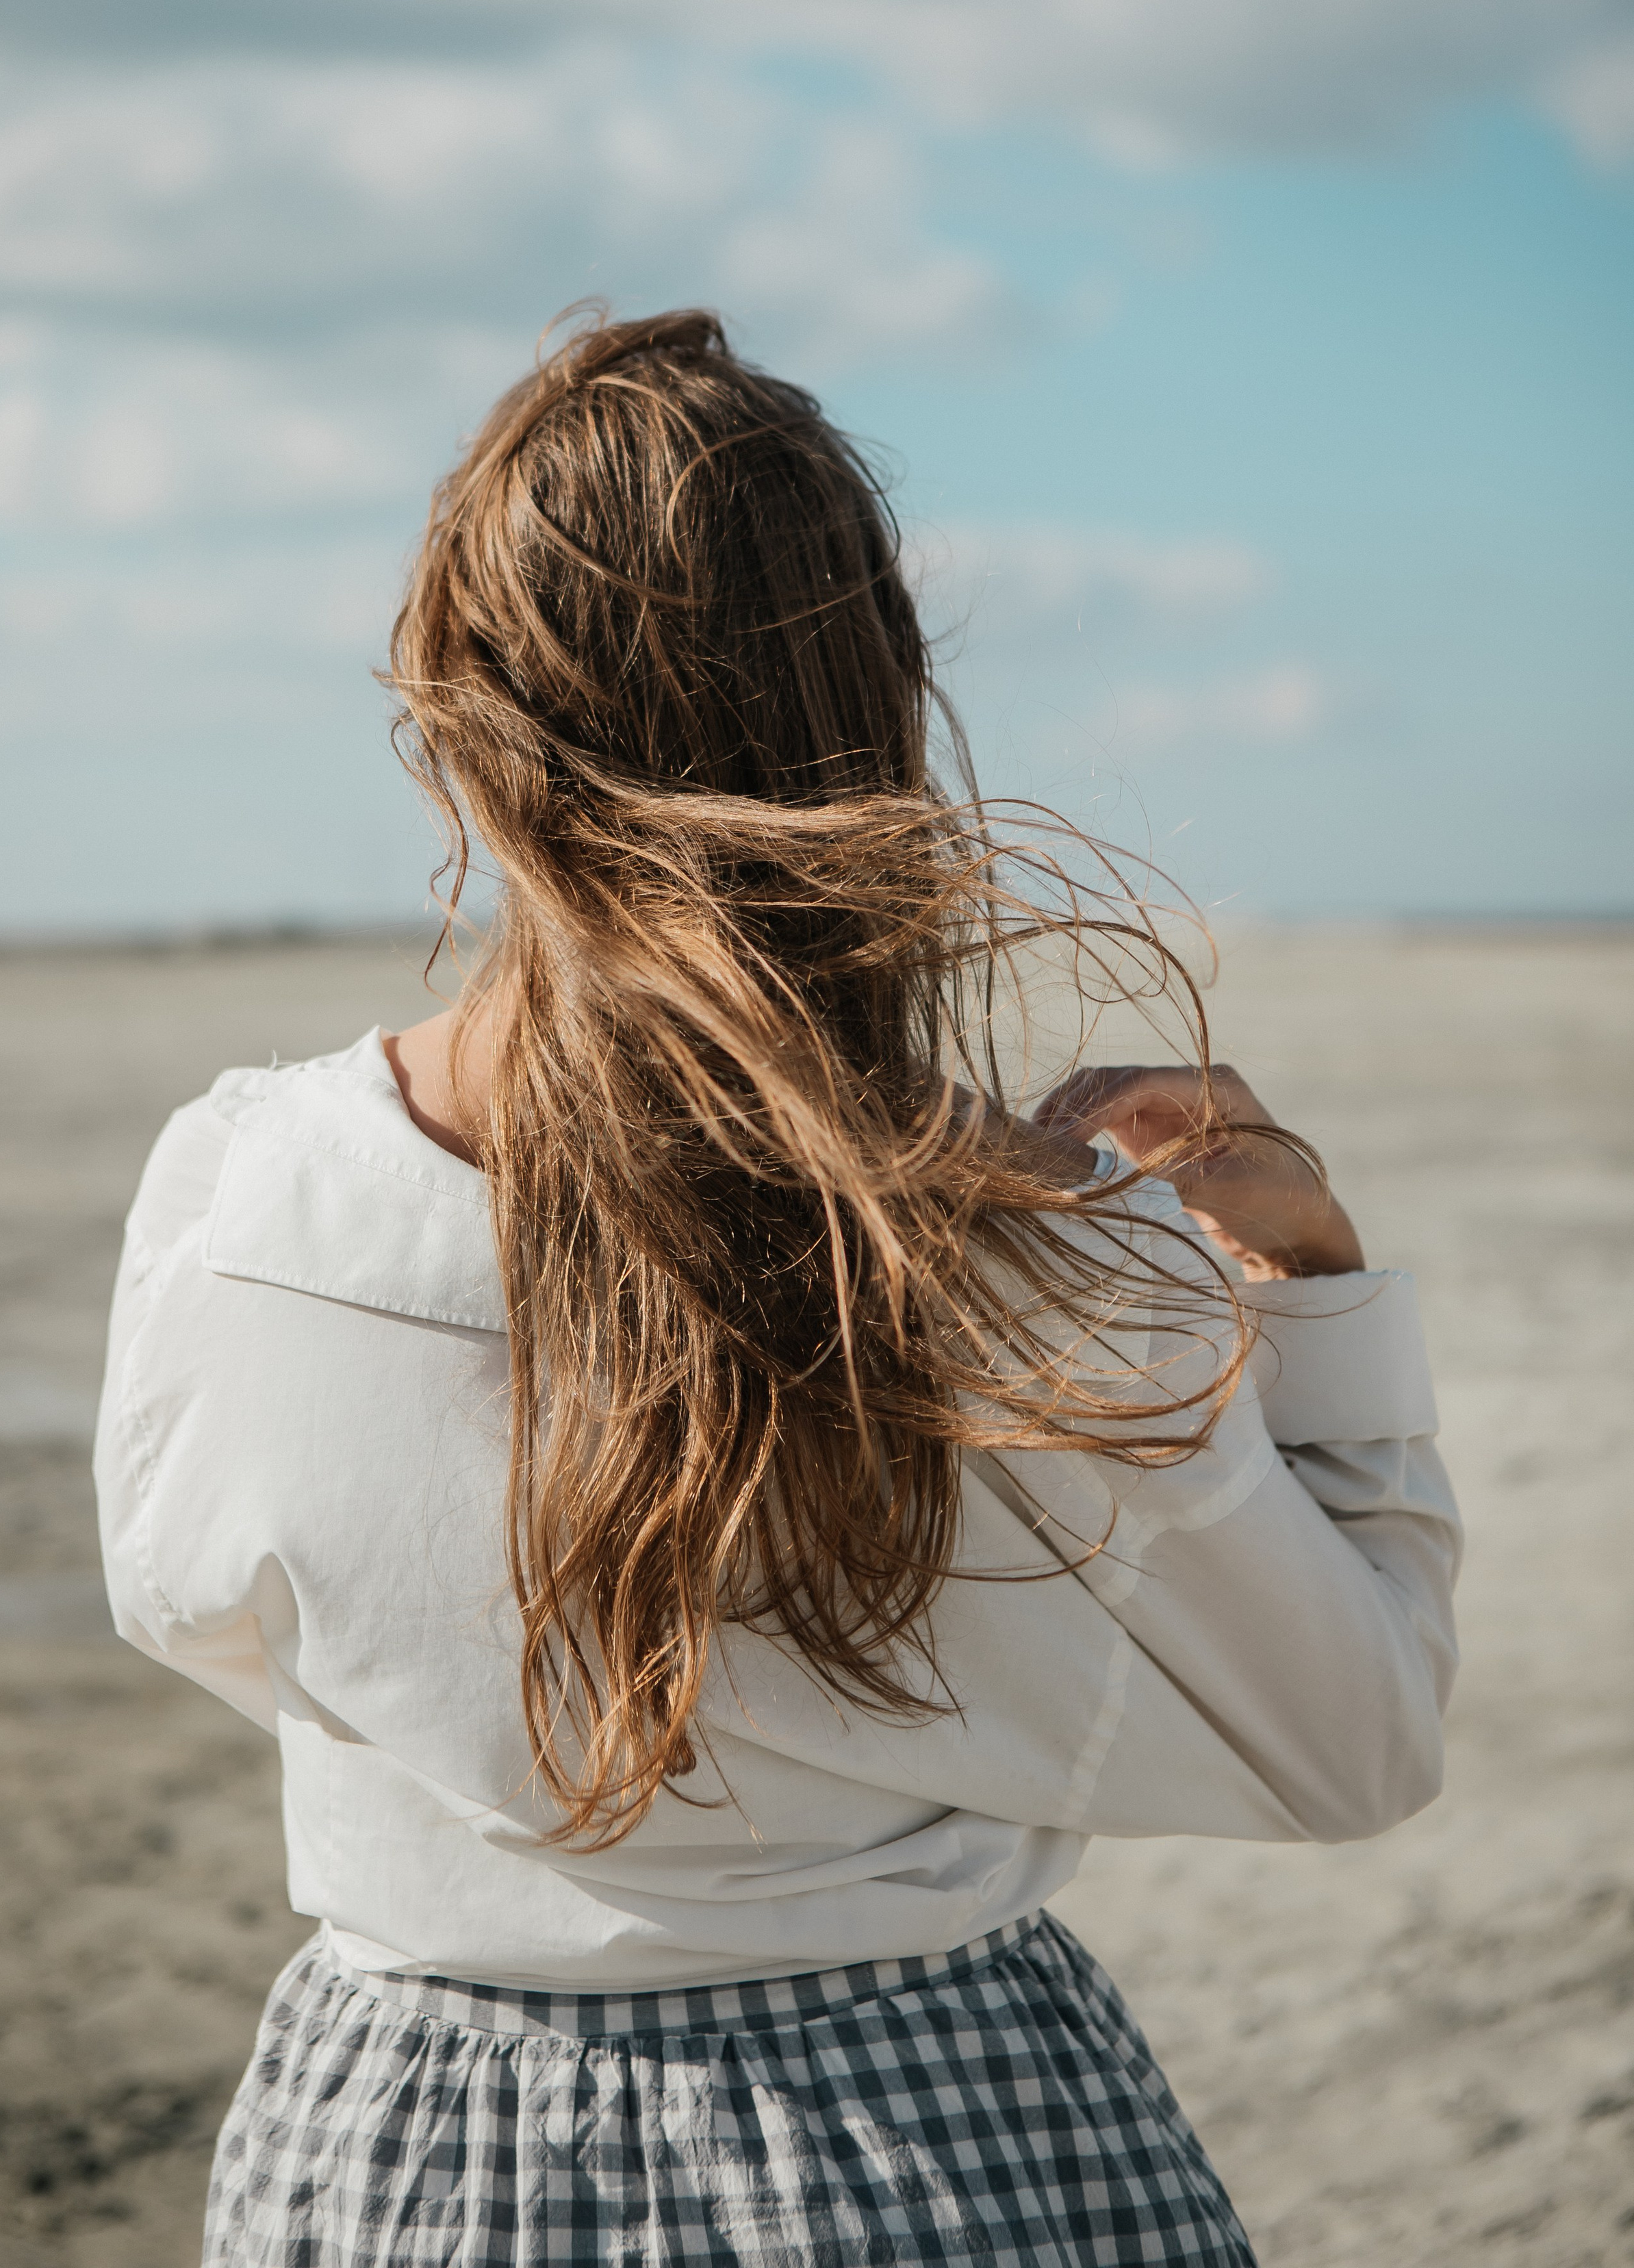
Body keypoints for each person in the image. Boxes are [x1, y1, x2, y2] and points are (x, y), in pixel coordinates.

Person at [95, 309, 1459, 2268]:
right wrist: (1310, 1283)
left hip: (401, 2129)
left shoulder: (241, 1201)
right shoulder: (1052, 1257)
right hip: (943, 2131)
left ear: (454, 725)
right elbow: (1359, 1748)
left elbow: (200, 1616)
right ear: (881, 715)